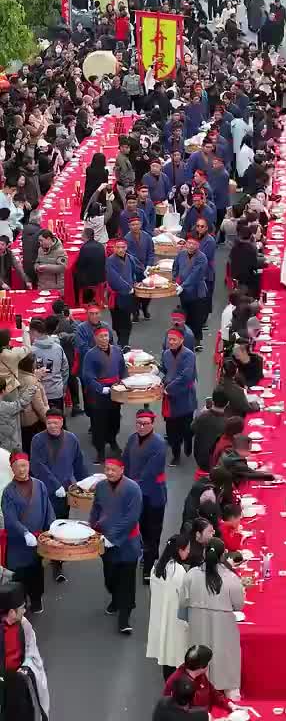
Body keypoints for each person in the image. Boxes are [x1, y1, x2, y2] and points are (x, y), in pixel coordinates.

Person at [178, 537, 244, 695]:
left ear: (204, 553)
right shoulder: (231, 578)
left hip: (198, 624)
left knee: (199, 659)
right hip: (224, 627)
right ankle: (228, 695)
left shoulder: (191, 575)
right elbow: (238, 605)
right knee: (224, 660)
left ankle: (196, 693)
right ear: (223, 556)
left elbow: (183, 601)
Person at [29, 408, 89, 584]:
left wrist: (86, 484)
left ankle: (57, 561)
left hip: (65, 493)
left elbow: (78, 463)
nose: (52, 426)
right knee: (44, 524)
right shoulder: (37, 440)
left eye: (55, 422)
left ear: (62, 422)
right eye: (49, 423)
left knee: (60, 525)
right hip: (43, 492)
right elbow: (37, 465)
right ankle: (42, 555)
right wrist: (54, 485)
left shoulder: (71, 439)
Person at [89, 456, 143, 634]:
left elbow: (132, 517)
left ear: (122, 469)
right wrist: (91, 527)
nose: (109, 473)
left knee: (127, 581)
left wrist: (113, 537)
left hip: (127, 543)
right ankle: (115, 598)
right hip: (105, 541)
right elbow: (96, 508)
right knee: (110, 577)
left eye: (113, 469)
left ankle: (124, 619)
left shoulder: (133, 489)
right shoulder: (101, 487)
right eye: (107, 469)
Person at [1, 451, 54, 613]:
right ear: (12, 469)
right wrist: (24, 533)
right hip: (18, 543)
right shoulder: (8, 492)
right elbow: (10, 518)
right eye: (17, 467)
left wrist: (51, 529)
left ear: (29, 465)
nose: (22, 470)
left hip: (37, 541)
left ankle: (37, 600)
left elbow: (48, 510)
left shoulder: (40, 485)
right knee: (20, 575)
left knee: (36, 571)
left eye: (24, 465)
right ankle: (20, 606)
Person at [122, 409, 168, 584]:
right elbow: (125, 461)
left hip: (153, 495)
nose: (141, 427)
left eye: (145, 424)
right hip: (136, 493)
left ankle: (149, 568)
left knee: (153, 531)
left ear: (152, 424)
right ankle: (147, 554)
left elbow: (150, 472)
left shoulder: (159, 444)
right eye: (139, 423)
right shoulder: (132, 439)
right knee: (140, 528)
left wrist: (130, 488)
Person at [0, 581, 50, 720]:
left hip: (18, 682)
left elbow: (31, 649)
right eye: (22, 608)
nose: (24, 611)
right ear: (12, 612)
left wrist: (26, 666)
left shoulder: (23, 625)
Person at [147, 533, 191, 680]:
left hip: (161, 617)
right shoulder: (179, 571)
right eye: (187, 549)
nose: (188, 552)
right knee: (176, 656)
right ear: (179, 550)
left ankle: (168, 685)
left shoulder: (156, 569)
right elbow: (186, 598)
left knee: (166, 656)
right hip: (176, 620)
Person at [82, 326, 126, 463]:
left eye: (106, 336)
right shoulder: (90, 355)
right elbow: (88, 376)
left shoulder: (117, 351)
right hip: (99, 394)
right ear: (95, 338)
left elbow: (123, 369)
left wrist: (124, 383)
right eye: (101, 336)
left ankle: (112, 441)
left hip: (115, 391)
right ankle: (100, 450)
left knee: (115, 419)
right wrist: (101, 389)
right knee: (99, 422)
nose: (104, 339)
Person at [161, 328, 198, 467]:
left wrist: (168, 388)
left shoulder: (189, 355)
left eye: (174, 339)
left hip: (185, 395)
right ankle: (176, 454)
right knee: (171, 429)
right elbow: (164, 370)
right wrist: (157, 373)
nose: (170, 342)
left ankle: (188, 441)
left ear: (181, 340)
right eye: (169, 339)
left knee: (186, 426)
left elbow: (186, 377)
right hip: (170, 398)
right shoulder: (165, 354)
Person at [163, 644, 232, 711]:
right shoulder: (176, 683)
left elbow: (212, 692)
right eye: (208, 662)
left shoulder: (200, 674)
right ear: (202, 667)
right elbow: (176, 711)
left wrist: (228, 704)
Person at [172, 236, 209, 346]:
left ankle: (197, 340)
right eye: (189, 243)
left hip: (197, 292)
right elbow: (175, 267)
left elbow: (195, 274)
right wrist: (175, 280)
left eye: (194, 244)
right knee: (185, 315)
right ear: (186, 243)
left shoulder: (202, 258)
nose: (191, 246)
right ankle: (186, 338)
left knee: (196, 317)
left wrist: (183, 285)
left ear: (198, 245)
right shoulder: (181, 254)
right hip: (183, 292)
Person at [29, 317, 69, 413]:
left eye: (29, 333)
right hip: (57, 391)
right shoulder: (58, 348)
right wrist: (63, 387)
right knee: (58, 419)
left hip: (39, 393)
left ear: (34, 332)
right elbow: (65, 369)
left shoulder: (31, 351)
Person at [106, 237, 137, 348]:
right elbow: (114, 278)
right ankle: (121, 340)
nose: (120, 250)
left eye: (123, 247)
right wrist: (128, 287)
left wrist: (144, 275)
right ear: (114, 248)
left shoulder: (130, 258)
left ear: (126, 247)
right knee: (117, 321)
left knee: (126, 320)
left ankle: (124, 343)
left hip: (128, 295)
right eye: (118, 247)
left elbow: (135, 271)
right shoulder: (110, 261)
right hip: (116, 295)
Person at [190, 389, 229, 473]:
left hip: (200, 458)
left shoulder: (202, 416)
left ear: (213, 401)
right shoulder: (226, 423)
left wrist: (201, 413)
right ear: (227, 403)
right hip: (216, 462)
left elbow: (192, 428)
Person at [35, 229, 68, 293]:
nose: (40, 243)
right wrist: (36, 267)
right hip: (42, 286)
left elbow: (63, 267)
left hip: (56, 287)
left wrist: (46, 267)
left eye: (41, 240)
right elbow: (37, 262)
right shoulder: (40, 250)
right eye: (39, 241)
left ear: (48, 239)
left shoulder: (60, 251)